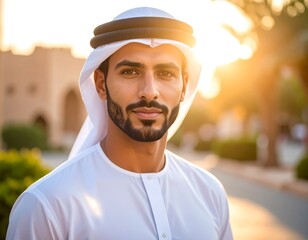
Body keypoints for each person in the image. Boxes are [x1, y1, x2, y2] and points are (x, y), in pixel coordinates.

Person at [6, 7, 233, 240]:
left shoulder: (210, 194)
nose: (150, 92)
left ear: (184, 86)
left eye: (165, 74)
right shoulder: (47, 206)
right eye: (130, 71)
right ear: (101, 84)